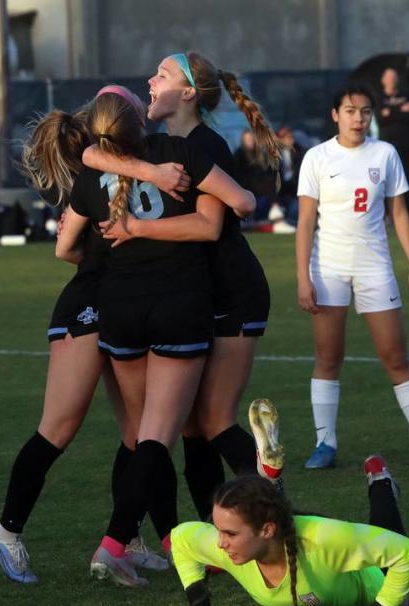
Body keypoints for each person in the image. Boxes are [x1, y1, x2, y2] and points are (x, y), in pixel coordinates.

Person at [0, 101, 189, 584]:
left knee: (142, 436)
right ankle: (5, 532)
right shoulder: (98, 176)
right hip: (88, 307)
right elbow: (64, 249)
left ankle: (138, 539)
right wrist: (103, 267)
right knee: (59, 426)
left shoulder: (124, 170)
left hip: (121, 307)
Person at [57, 85, 255, 587]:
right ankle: (115, 543)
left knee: (145, 434)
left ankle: (157, 539)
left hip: (118, 309)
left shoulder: (94, 169)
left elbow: (66, 245)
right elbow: (242, 204)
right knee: (156, 438)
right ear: (139, 124)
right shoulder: (180, 153)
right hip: (176, 304)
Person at [83, 52, 283, 523]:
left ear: (188, 93)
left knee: (212, 421)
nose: (150, 81)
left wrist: (134, 228)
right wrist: (147, 173)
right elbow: (90, 152)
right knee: (192, 426)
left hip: (232, 291)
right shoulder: (160, 145)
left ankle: (273, 498)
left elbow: (210, 227)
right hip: (195, 295)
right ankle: (220, 536)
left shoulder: (205, 145)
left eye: (163, 75)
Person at [296, 84, 409, 468]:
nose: (358, 118)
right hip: (328, 268)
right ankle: (325, 444)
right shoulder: (316, 157)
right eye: (350, 110)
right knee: (328, 357)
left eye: (365, 111)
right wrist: (303, 276)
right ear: (335, 114)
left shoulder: (385, 153)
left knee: (396, 357)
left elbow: (398, 213)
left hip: (375, 267)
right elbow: (304, 222)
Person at [171, 454, 409, 606]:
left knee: (385, 536)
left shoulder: (322, 538)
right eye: (217, 530)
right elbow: (180, 538)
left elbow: (407, 552)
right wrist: (199, 600)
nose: (220, 543)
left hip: (375, 582)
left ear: (267, 530)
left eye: (230, 534)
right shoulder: (228, 546)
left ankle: (380, 481)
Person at [378, 68, 409, 220]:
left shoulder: (406, 95)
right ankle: (386, 215)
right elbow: (380, 119)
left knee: (407, 178)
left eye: (394, 77)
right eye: (388, 77)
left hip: (406, 145)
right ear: (383, 81)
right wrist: (400, 111)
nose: (391, 80)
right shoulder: (379, 98)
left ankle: (408, 214)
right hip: (387, 146)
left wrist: (391, 112)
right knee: (385, 179)